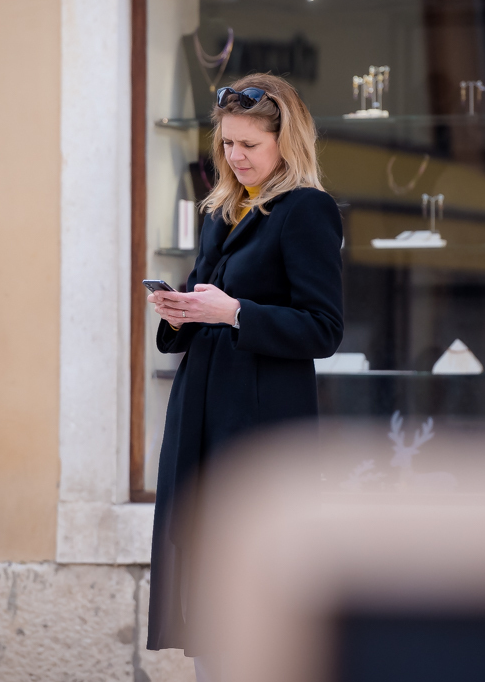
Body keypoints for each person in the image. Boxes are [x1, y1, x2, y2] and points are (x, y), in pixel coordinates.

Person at [145, 73, 344, 679]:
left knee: (252, 579)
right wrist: (180, 312)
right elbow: (205, 301)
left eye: (249, 145)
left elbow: (323, 329)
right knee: (203, 576)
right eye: (227, 143)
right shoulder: (221, 210)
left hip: (258, 424)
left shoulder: (307, 210)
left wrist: (234, 312)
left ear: (286, 141)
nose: (234, 156)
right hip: (200, 415)